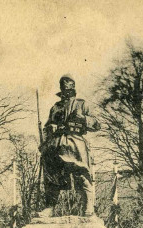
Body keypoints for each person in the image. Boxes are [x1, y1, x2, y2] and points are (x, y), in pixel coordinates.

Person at [39, 74, 100, 217]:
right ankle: (50, 207)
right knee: (52, 176)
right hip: (55, 144)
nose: (66, 90)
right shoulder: (55, 107)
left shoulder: (81, 104)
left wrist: (84, 119)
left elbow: (97, 124)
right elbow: (47, 127)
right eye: (63, 86)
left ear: (73, 88)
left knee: (81, 175)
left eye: (69, 86)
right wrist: (49, 130)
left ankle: (88, 207)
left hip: (75, 142)